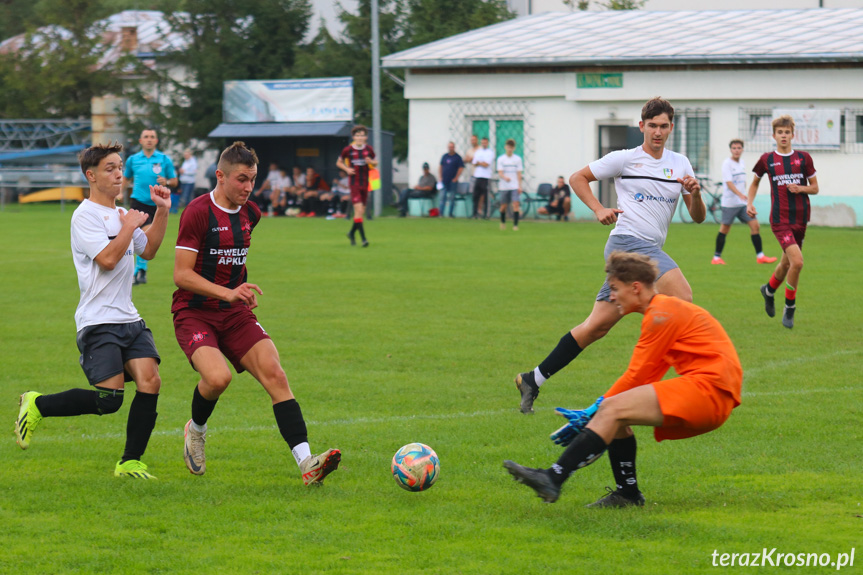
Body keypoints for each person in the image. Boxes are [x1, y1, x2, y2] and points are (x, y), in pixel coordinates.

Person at [504, 251, 742, 507]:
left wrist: (594, 410)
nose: (612, 296)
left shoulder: (661, 313)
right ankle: (627, 494)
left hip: (710, 391)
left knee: (612, 409)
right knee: (616, 415)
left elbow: (636, 376)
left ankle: (553, 477)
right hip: (713, 391)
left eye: (615, 289)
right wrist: (596, 410)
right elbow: (647, 374)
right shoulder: (662, 311)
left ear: (636, 287)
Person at [513, 97, 705, 414]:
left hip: (648, 251)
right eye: (652, 126)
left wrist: (695, 194)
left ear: (671, 127)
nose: (658, 132)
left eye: (664, 126)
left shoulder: (680, 163)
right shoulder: (624, 159)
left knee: (596, 327)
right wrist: (599, 208)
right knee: (681, 298)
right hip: (626, 243)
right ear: (641, 126)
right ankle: (683, 385)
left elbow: (698, 217)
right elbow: (578, 177)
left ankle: (532, 378)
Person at [172, 141, 340, 484]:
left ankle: (307, 464)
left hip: (234, 313)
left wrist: (240, 290)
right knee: (218, 379)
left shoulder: (252, 214)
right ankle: (197, 430)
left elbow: (232, 261)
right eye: (241, 179)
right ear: (220, 176)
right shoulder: (197, 212)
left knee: (276, 376)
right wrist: (229, 292)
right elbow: (182, 274)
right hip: (195, 312)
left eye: (252, 179)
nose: (249, 187)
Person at [14, 142, 171, 479]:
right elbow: (108, 259)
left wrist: (162, 211)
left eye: (120, 167)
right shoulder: (84, 216)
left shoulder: (120, 214)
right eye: (111, 169)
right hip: (98, 321)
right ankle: (38, 404)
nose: (119, 175)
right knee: (109, 400)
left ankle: (130, 461)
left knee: (151, 381)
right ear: (92, 175)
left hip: (130, 317)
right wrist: (129, 226)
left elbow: (152, 249)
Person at [747, 115, 818, 329]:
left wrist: (801, 188)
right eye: (780, 132)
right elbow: (754, 184)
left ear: (792, 135)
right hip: (780, 219)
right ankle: (790, 306)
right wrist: (749, 203)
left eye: (787, 132)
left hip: (801, 218)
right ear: (774, 135)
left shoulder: (803, 158)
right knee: (797, 262)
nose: (784, 136)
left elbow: (815, 188)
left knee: (786, 263)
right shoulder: (767, 159)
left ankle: (768, 290)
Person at [123, 128, 178, 285]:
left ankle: (139, 271)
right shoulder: (133, 160)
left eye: (152, 137)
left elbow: (174, 181)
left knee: (145, 237)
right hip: (138, 202)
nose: (149, 139)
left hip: (158, 204)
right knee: (139, 236)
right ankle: (140, 271)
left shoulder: (164, 159)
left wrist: (166, 182)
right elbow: (126, 178)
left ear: (156, 141)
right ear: (140, 141)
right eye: (146, 136)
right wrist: (119, 193)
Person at [712, 140, 777, 265]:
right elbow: (729, 182)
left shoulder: (741, 162)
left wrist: (745, 195)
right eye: (734, 148)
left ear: (742, 149)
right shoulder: (727, 163)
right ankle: (716, 258)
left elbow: (742, 181)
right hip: (730, 203)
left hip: (742, 204)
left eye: (739, 148)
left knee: (755, 226)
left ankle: (760, 256)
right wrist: (740, 194)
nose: (737, 150)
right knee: (725, 229)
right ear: (730, 150)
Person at [338, 125, 377, 247]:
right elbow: (338, 162)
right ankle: (364, 239)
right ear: (354, 137)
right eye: (357, 135)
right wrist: (347, 169)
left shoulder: (369, 149)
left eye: (362, 135)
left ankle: (351, 233)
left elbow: (375, 162)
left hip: (365, 183)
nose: (360, 137)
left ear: (366, 137)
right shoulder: (348, 150)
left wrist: (371, 163)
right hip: (354, 184)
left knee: (360, 213)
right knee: (359, 210)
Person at [496, 138, 523, 231]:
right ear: (505, 147)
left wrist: (519, 186)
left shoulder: (518, 159)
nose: (509, 149)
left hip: (514, 186)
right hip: (504, 186)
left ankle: (515, 225)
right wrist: (504, 177)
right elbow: (500, 172)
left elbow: (519, 174)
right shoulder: (501, 159)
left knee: (515, 204)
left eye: (511, 147)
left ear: (514, 148)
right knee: (503, 206)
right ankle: (503, 222)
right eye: (508, 147)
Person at [438, 141, 464, 218]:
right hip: (444, 180)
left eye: (452, 147)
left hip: (453, 181)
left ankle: (450, 214)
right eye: (449, 147)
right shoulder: (445, 156)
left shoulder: (457, 157)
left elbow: (461, 168)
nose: (451, 148)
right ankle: (441, 214)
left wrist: (456, 178)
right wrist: (440, 177)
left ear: (454, 147)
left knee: (452, 198)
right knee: (442, 197)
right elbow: (441, 166)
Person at [471, 137, 495, 219]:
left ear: (487, 143)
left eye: (485, 142)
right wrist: (481, 163)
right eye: (482, 143)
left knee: (486, 197)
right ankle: (475, 214)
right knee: (475, 196)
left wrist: (479, 163)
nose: (484, 144)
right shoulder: (478, 152)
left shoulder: (490, 152)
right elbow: (474, 163)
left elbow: (486, 164)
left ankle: (486, 214)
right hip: (478, 176)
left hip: (486, 177)